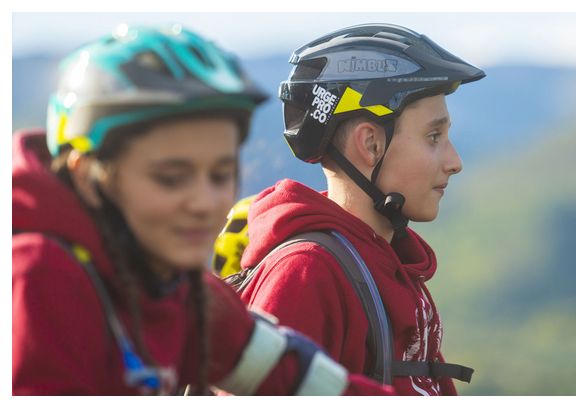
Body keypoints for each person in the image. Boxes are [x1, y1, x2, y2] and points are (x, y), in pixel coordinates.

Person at [12, 23, 397, 396]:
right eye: (170, 178)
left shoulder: (177, 288)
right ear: (86, 176)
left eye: (220, 175)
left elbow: (294, 379)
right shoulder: (39, 275)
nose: (205, 203)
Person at [238, 23, 486, 395]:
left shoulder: (388, 263)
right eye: (434, 137)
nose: (454, 161)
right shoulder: (307, 273)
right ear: (371, 144)